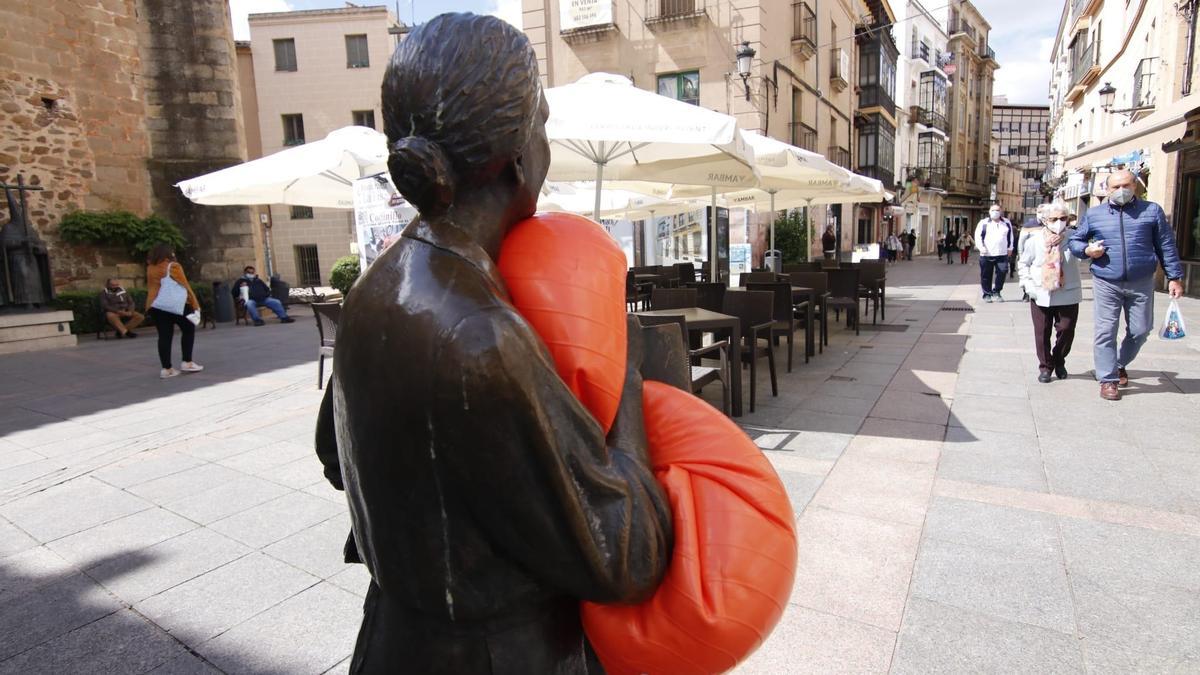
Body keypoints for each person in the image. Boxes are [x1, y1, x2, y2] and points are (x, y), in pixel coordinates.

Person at [313, 14, 671, 673]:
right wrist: (626, 366)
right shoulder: (483, 336)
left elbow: (335, 455)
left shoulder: (374, 288)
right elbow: (625, 553)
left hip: (395, 640)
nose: (546, 139)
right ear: (517, 154)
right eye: (542, 120)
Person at [1069, 169, 1184, 401]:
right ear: (1107, 189)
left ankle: (1119, 363)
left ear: (1135, 187)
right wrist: (1087, 250)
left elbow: (1166, 245)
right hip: (1105, 280)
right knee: (1105, 331)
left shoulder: (1151, 211)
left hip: (1141, 280)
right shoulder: (1094, 214)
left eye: (1126, 186)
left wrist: (1174, 276)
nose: (1121, 191)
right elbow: (1075, 241)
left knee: (1141, 330)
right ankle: (1108, 379)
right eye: (1115, 187)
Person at [1018, 202, 1082, 383]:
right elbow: (1023, 264)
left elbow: (1084, 252)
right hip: (1041, 292)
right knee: (1042, 331)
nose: (1059, 223)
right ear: (1045, 221)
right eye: (1054, 219)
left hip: (1067, 293)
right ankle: (1046, 367)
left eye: (1063, 218)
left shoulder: (1074, 238)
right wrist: (1028, 286)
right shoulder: (1035, 240)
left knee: (1066, 329)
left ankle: (1059, 360)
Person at [144, 243, 203, 379]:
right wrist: (195, 304)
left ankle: (167, 369)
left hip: (156, 305)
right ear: (168, 254)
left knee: (164, 336)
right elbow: (185, 285)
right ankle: (187, 362)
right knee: (188, 329)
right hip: (176, 305)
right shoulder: (173, 266)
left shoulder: (151, 268)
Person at [974, 205, 1013, 301]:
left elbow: (1010, 236)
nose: (995, 212)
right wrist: (981, 247)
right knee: (986, 275)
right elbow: (977, 236)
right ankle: (987, 294)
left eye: (997, 210)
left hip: (1002, 253)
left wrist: (1010, 248)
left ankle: (997, 291)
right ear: (989, 211)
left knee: (1002, 272)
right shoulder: (983, 223)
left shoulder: (1006, 222)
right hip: (987, 254)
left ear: (1001, 211)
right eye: (993, 210)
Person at [1017, 204, 1049, 302]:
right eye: (1039, 212)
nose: (1041, 214)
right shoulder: (1028, 226)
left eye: (1043, 212)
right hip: (1029, 254)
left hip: (1043, 254)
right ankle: (1026, 293)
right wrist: (1020, 254)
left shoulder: (1049, 224)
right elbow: (1021, 242)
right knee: (1027, 274)